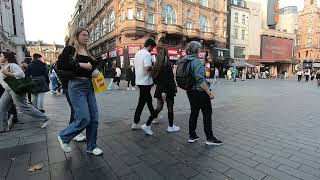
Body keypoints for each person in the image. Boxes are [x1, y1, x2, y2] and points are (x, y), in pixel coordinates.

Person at [57, 27, 103, 155]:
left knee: (94, 118)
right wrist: (79, 65)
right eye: (84, 35)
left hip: (89, 85)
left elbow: (95, 65)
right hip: (76, 86)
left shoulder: (88, 51)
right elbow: (60, 65)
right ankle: (64, 136)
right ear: (76, 36)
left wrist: (95, 70)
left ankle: (91, 146)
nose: (87, 37)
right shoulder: (70, 49)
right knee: (84, 117)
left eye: (88, 35)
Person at [184, 41, 222, 146]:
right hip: (200, 92)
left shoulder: (185, 60)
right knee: (207, 114)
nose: (200, 51)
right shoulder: (196, 62)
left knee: (194, 113)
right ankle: (209, 138)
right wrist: (209, 93)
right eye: (200, 49)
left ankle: (192, 136)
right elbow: (200, 80)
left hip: (190, 91)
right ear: (196, 50)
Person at [0, 52, 49, 132]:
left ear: (7, 57)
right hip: (8, 90)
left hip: (16, 89)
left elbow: (21, 75)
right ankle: (3, 128)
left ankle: (44, 118)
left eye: (1, 56)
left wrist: (7, 73)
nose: (0, 57)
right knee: (1, 107)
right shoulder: (3, 67)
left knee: (23, 107)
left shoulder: (12, 65)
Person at [140, 47, 180, 135]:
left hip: (160, 89)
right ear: (166, 54)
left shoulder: (157, 65)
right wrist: (164, 91)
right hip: (168, 89)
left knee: (159, 108)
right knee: (170, 107)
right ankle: (171, 126)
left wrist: (162, 90)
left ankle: (147, 125)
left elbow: (155, 79)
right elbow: (167, 79)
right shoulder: (166, 65)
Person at [131, 39, 157, 130]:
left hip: (139, 81)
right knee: (141, 102)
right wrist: (155, 67)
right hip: (146, 82)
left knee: (148, 100)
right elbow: (147, 68)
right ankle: (135, 122)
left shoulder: (138, 53)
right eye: (152, 47)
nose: (152, 49)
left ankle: (153, 116)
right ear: (150, 46)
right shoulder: (147, 54)